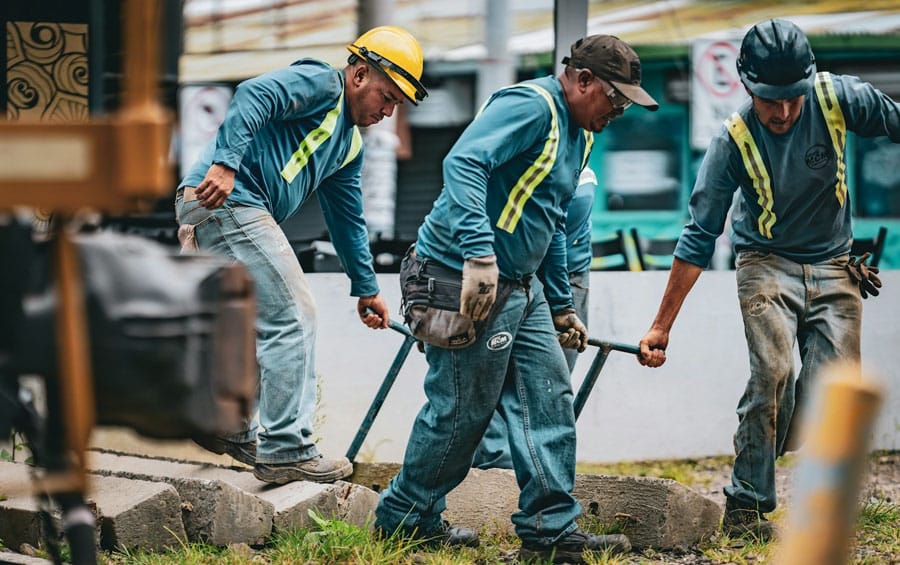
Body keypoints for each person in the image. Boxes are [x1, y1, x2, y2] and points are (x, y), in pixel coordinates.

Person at [374, 35, 657, 562]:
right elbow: (462, 164)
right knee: (462, 411)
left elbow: (546, 219)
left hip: (519, 288)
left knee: (549, 397)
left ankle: (552, 532)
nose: (618, 110)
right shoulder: (531, 106)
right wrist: (479, 256)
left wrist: (560, 304)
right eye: (614, 98)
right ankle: (404, 518)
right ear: (583, 80)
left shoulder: (581, 133)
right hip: (458, 276)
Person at [637, 19, 895, 540]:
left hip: (835, 262)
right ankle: (747, 508)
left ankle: (823, 507)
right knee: (773, 373)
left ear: (809, 82)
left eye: (791, 100)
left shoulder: (840, 98)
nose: (781, 112)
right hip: (764, 263)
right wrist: (662, 325)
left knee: (835, 392)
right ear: (747, 85)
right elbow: (697, 236)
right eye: (768, 100)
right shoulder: (731, 141)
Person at [174, 26, 428, 485]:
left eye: (396, 105)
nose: (388, 112)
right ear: (359, 73)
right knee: (293, 314)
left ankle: (229, 425)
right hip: (225, 201)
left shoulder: (348, 144)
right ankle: (287, 447)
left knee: (261, 316)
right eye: (387, 96)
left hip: (228, 208)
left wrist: (367, 288)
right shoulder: (322, 84)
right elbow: (254, 93)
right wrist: (226, 163)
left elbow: (348, 219)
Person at [472, 165, 598, 470]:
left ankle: (539, 476)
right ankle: (495, 471)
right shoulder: (507, 157)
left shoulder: (579, 164)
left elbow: (555, 234)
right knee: (490, 377)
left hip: (562, 277)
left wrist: (561, 305)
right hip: (508, 271)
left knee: (549, 386)